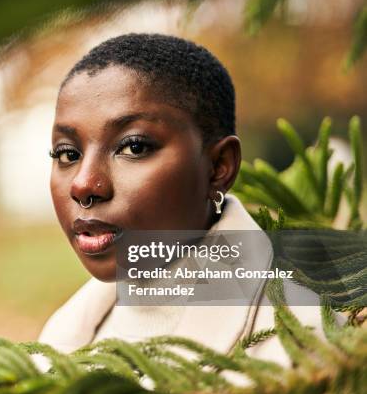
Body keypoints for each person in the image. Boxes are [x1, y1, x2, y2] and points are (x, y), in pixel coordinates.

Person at [38, 33, 341, 366]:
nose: (83, 184)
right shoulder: (57, 341)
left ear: (218, 167)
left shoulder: (308, 347)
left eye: (134, 147)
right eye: (67, 153)